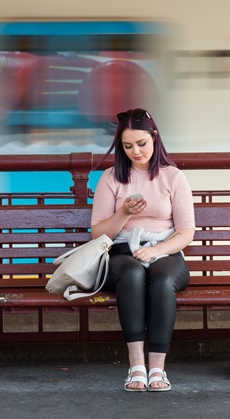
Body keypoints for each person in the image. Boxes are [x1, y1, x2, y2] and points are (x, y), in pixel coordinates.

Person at [90, 108, 195, 392]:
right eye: (127, 146)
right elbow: (97, 233)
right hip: (122, 252)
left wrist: (157, 250)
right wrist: (123, 213)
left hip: (166, 250)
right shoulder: (111, 178)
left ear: (155, 138)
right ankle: (136, 366)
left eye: (141, 144)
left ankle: (157, 369)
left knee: (161, 279)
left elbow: (186, 231)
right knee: (133, 274)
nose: (135, 151)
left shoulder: (173, 177)